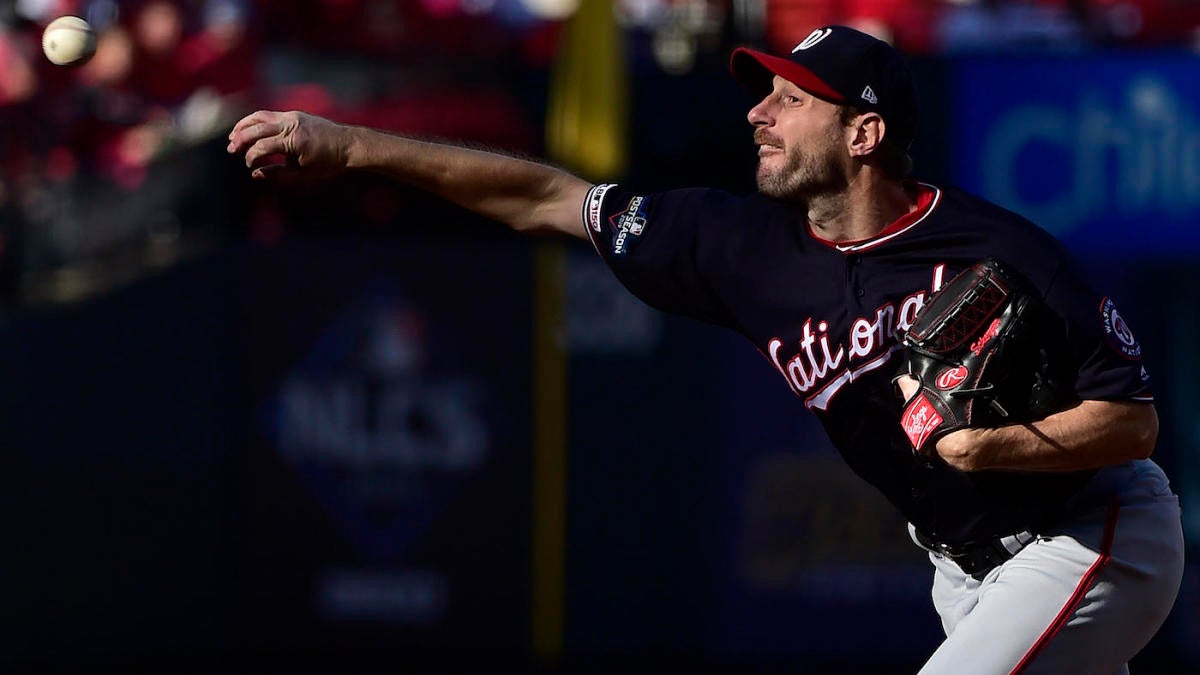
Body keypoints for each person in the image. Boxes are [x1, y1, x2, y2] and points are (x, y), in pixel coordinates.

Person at [227, 25, 1185, 674]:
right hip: (959, 567)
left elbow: (1135, 423)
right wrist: (351, 145)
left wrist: (991, 448)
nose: (756, 114)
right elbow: (544, 198)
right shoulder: (735, 247)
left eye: (790, 99)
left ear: (866, 131)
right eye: (762, 94)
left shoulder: (1002, 250)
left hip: (1089, 533)